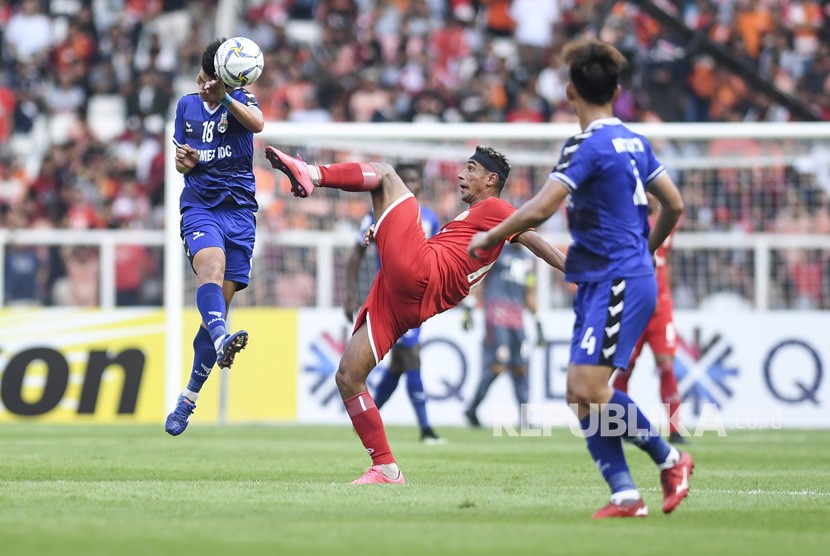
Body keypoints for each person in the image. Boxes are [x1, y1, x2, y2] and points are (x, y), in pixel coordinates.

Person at [466, 39, 693, 519]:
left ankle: (671, 459)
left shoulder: (585, 146)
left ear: (570, 91)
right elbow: (673, 203)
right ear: (615, 89)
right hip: (609, 278)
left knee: (589, 388)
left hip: (615, 280)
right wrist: (647, 253)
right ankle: (625, 495)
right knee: (578, 392)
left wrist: (491, 236)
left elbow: (542, 207)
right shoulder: (636, 141)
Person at [265, 143, 566, 484]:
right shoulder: (470, 220)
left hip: (423, 276)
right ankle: (386, 468)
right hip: (405, 301)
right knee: (348, 375)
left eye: (470, 169)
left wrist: (574, 270)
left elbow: (535, 239)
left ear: (491, 179)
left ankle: (313, 174)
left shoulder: (497, 208)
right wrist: (382, 230)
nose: (460, 175)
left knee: (385, 174)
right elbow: (451, 249)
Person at [165, 38, 264, 436]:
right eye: (201, 77)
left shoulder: (242, 101)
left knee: (214, 313)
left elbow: (258, 125)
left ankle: (188, 397)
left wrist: (225, 97)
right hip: (200, 206)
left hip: (239, 212)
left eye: (207, 79)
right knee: (211, 267)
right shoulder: (186, 105)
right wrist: (183, 163)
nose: (199, 83)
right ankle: (223, 336)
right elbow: (181, 161)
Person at [344, 163, 444, 444]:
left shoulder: (430, 218)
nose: (411, 185)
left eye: (415, 180)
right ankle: (426, 430)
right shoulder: (379, 214)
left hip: (418, 299)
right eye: (406, 180)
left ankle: (364, 419)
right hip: (391, 297)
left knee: (399, 366)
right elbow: (355, 255)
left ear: (421, 185)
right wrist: (349, 295)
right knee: (411, 358)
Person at [612, 193, 685, 444]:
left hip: (661, 309)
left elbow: (667, 263)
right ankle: (619, 426)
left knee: (666, 366)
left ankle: (675, 430)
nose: (650, 197)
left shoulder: (666, 227)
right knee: (624, 368)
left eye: (654, 192)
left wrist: (667, 292)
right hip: (634, 307)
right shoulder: (626, 226)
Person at [463, 241, 542, 428]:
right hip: (496, 315)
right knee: (497, 365)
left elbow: (529, 293)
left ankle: (525, 419)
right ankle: (472, 409)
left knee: (521, 367)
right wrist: (470, 306)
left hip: (517, 319)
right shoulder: (497, 253)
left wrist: (538, 322)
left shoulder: (528, 261)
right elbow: (481, 280)